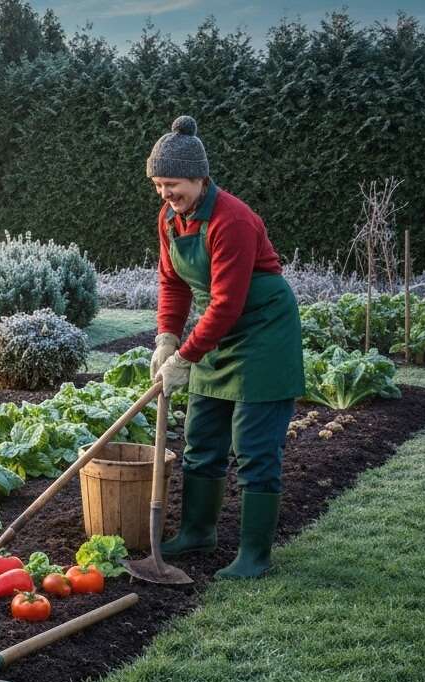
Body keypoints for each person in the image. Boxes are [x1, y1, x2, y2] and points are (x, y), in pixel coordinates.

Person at [146, 115, 304, 579]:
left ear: (199, 177)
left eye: (172, 184)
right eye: (158, 185)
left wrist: (185, 357)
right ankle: (198, 532)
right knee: (201, 439)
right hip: (219, 332)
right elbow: (172, 282)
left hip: (263, 333)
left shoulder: (231, 219)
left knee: (255, 449)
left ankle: (254, 557)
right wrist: (166, 337)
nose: (165, 194)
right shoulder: (171, 219)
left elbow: (229, 302)